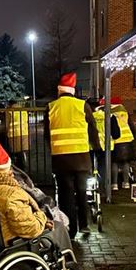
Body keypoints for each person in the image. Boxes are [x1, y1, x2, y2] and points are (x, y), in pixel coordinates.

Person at [0, 141, 87, 270]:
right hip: (11, 246)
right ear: (6, 169)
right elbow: (28, 229)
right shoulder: (10, 193)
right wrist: (42, 217)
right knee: (58, 228)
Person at [46, 72, 100, 238]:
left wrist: (53, 149)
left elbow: (47, 135)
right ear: (73, 90)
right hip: (81, 159)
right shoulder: (82, 105)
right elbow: (92, 129)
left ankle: (71, 229)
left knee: (65, 195)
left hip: (61, 160)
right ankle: (85, 225)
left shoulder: (51, 107)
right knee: (82, 192)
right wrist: (96, 147)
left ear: (59, 90)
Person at [109, 97, 136, 190]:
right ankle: (126, 183)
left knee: (114, 163)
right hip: (128, 140)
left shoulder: (111, 113)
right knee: (126, 162)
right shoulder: (125, 112)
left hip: (116, 141)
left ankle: (114, 184)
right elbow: (132, 126)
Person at [6, 100, 30, 171]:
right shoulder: (23, 110)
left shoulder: (9, 111)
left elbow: (7, 124)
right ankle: (25, 167)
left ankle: (18, 169)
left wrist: (6, 132)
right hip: (25, 133)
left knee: (16, 154)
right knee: (23, 152)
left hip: (14, 134)